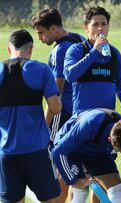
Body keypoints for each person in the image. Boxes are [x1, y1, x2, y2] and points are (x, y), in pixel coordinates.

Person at [0, 29, 62, 203]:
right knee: (52, 200)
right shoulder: (41, 70)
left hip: (6, 153)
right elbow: (56, 108)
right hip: (36, 150)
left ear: (8, 49)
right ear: (31, 49)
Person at [31, 8, 85, 202]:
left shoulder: (59, 51)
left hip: (63, 114)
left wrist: (45, 124)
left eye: (41, 32)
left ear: (53, 29)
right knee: (72, 160)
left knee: (57, 160)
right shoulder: (78, 39)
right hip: (80, 112)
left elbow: (56, 94)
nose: (40, 38)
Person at [51, 108, 121, 203]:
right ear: (110, 139)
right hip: (71, 149)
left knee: (118, 191)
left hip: (97, 151)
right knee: (81, 190)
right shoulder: (90, 123)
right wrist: (74, 182)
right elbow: (57, 152)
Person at [64, 6, 121, 115]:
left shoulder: (114, 53)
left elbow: (120, 82)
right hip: (82, 117)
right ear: (86, 28)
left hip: (106, 118)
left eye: (104, 24)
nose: (100, 28)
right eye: (95, 25)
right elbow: (69, 75)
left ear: (108, 27)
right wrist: (94, 53)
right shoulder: (77, 50)